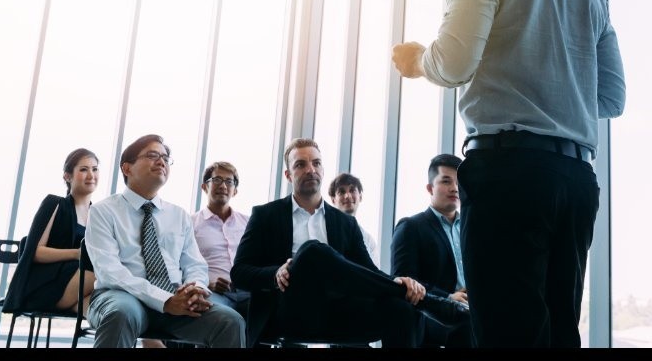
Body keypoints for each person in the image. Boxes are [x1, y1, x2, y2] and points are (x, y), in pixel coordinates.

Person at [392, 0, 625, 347]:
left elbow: (454, 63)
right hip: (577, 180)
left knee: (504, 332)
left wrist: (417, 61)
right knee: (559, 329)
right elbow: (612, 98)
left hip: (508, 172)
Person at [230, 138, 468, 348]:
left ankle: (407, 294)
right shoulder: (265, 215)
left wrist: (396, 286)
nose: (310, 169)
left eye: (316, 163)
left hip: (341, 310)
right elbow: (239, 273)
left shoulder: (345, 223)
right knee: (312, 251)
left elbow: (367, 273)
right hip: (289, 309)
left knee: (403, 307)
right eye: (300, 164)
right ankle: (425, 300)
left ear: (323, 169)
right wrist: (275, 274)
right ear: (288, 175)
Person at [84, 134, 245, 348]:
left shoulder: (178, 215)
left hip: (176, 299)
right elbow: (110, 272)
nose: (161, 161)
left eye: (165, 158)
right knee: (120, 313)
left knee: (229, 321)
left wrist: (194, 289)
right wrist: (165, 301)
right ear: (126, 168)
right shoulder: (102, 211)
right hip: (121, 296)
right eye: (152, 155)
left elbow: (195, 264)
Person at [4, 148, 98, 316]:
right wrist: (77, 254)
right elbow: (35, 252)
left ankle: (150, 340)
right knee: (107, 274)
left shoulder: (98, 215)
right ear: (67, 176)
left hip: (77, 284)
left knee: (111, 310)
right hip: (45, 285)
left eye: (95, 169)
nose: (91, 175)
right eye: (84, 169)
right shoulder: (54, 204)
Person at [391, 154, 472, 348]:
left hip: (472, 308)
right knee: (467, 328)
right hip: (433, 313)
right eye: (446, 181)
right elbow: (403, 280)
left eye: (458, 182)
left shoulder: (471, 229)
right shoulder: (411, 226)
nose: (454, 188)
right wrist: (447, 297)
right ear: (430, 188)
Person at [190, 161, 250, 319]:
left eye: (229, 181)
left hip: (248, 293)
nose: (223, 185)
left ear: (235, 191)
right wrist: (207, 283)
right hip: (212, 292)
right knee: (219, 317)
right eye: (217, 180)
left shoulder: (249, 223)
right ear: (205, 187)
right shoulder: (190, 223)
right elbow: (181, 264)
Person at [328, 173, 380, 267]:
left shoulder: (369, 241)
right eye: (341, 192)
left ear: (360, 196)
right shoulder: (324, 228)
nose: (347, 196)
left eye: (352, 190)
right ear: (333, 200)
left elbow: (374, 274)